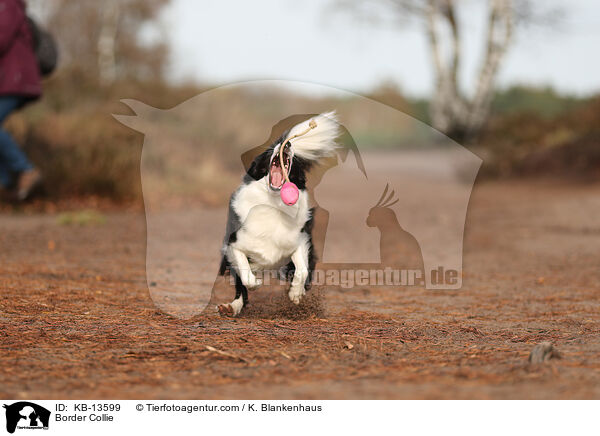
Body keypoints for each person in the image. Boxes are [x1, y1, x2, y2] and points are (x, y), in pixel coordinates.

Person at [0, 0, 42, 201]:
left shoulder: (7, 4)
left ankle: (24, 170)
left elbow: (1, 38)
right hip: (9, 81)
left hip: (15, 81)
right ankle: (8, 182)